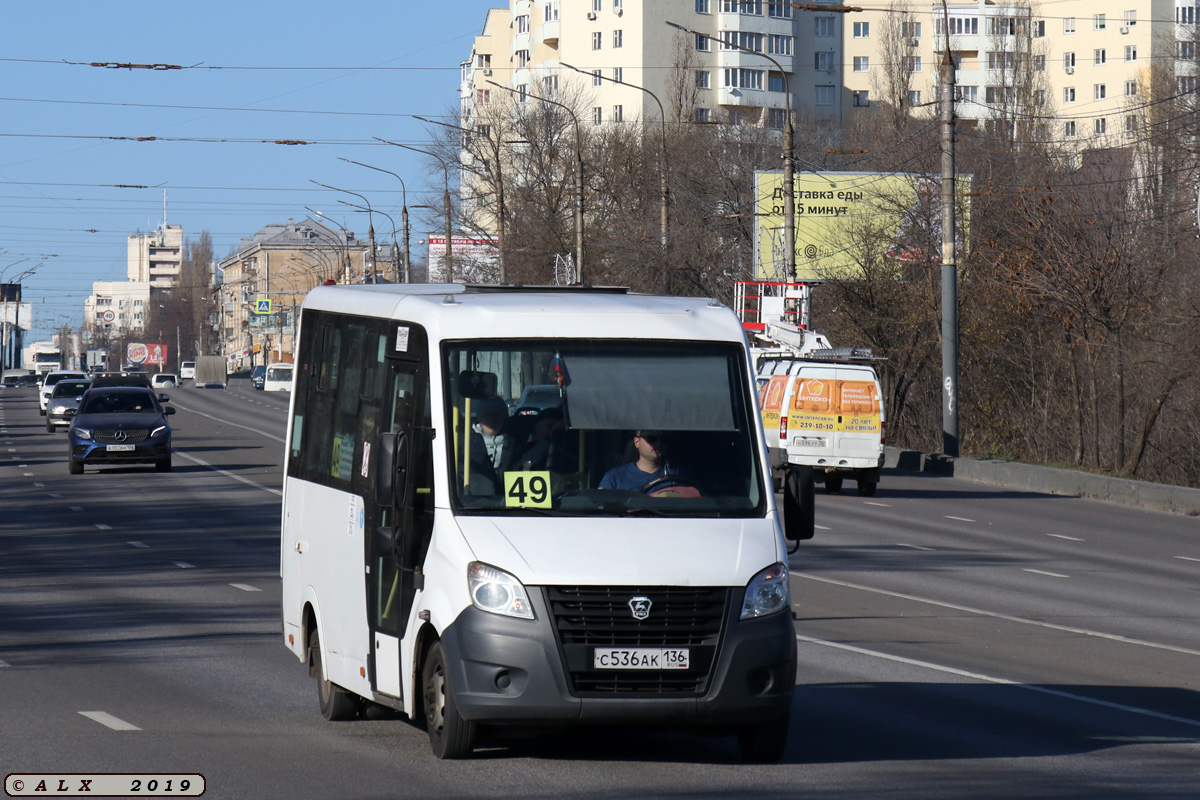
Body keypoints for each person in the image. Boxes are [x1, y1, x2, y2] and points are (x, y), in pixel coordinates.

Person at [599, 430, 683, 492]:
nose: (658, 443)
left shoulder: (679, 475)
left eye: (663, 439)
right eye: (651, 438)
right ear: (637, 442)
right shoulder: (614, 477)